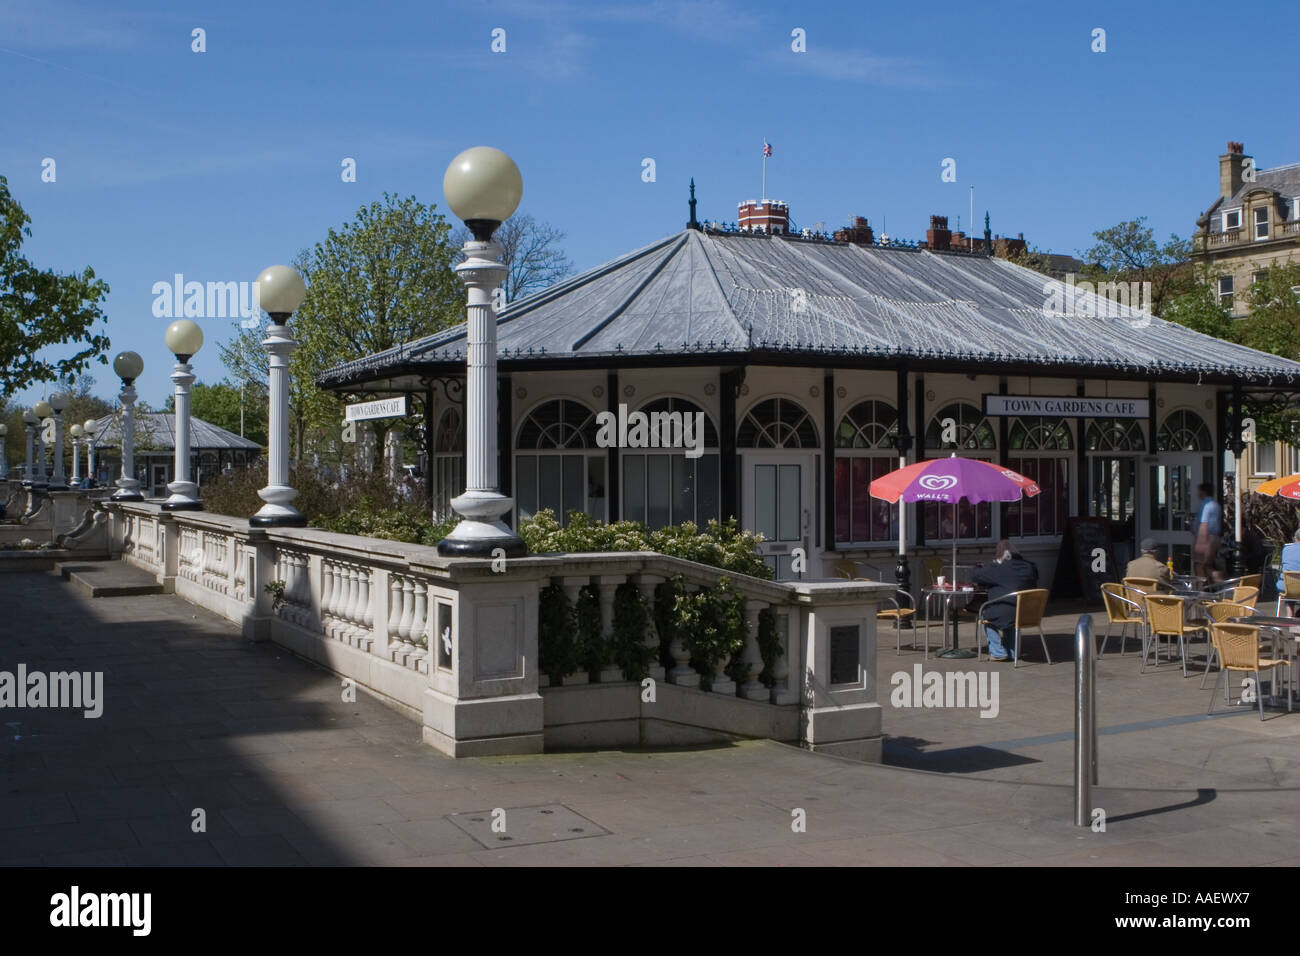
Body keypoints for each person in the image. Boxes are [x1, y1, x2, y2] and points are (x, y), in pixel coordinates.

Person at [971, 539, 1039, 662]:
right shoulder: (1030, 566)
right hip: (1028, 613)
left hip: (1006, 611)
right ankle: (1012, 651)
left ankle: (997, 652)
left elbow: (976, 575)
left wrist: (978, 566)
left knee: (985, 615)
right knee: (1010, 614)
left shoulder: (997, 567)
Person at [1193, 482, 1222, 583]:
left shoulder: (1206, 505)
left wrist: (1200, 545)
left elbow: (1204, 524)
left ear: (1203, 492)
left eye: (1199, 491)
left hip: (1207, 539)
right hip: (1214, 538)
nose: (1197, 493)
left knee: (1199, 565)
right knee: (1207, 566)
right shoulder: (1215, 504)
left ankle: (1202, 591)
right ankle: (1221, 587)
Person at [1275, 528, 1300, 614]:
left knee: (1290, 583)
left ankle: (1290, 615)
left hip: (1287, 588)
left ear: (1295, 538)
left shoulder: (1286, 549)